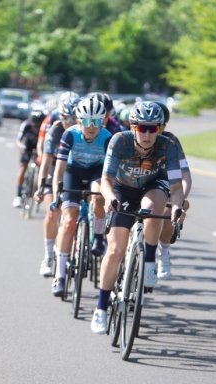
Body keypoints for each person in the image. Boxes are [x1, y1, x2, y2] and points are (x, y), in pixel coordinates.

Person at [90, 101, 185, 334]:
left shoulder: (168, 144)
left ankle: (149, 262)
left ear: (160, 129)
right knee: (114, 250)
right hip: (122, 188)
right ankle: (101, 309)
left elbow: (176, 184)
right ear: (133, 128)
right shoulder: (119, 141)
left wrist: (177, 206)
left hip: (153, 185)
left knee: (153, 208)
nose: (148, 133)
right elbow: (106, 181)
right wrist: (110, 198)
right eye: (142, 128)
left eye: (154, 128)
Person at [49, 97, 112, 297]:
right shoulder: (69, 135)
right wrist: (56, 195)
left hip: (96, 172)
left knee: (99, 197)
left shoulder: (108, 137)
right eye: (86, 121)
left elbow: (111, 174)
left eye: (96, 121)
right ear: (78, 121)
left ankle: (99, 236)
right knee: (69, 221)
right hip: (73, 172)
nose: (91, 126)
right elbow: (59, 170)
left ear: (103, 121)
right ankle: (59, 276)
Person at [34, 96, 81, 276]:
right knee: (53, 211)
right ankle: (48, 256)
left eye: (73, 119)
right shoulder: (54, 130)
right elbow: (46, 163)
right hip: (56, 168)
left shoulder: (86, 130)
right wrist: (40, 185)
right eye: (64, 118)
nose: (68, 123)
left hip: (76, 170)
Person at [155, 102, 192, 279]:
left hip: (166, 182)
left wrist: (180, 200)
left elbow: (185, 176)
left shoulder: (172, 142)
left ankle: (164, 252)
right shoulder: (134, 138)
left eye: (159, 126)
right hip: (140, 183)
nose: (153, 130)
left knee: (167, 212)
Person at [13, 111, 44, 208]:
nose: (36, 126)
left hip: (40, 145)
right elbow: (18, 141)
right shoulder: (26, 125)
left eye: (38, 124)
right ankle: (18, 195)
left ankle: (37, 191)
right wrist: (22, 147)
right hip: (28, 145)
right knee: (22, 167)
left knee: (42, 168)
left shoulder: (45, 126)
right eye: (34, 124)